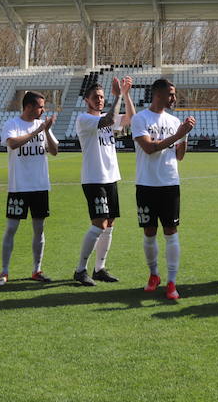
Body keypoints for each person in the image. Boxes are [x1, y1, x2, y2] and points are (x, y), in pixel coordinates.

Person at [132, 79, 195, 300]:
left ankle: (171, 282)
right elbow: (149, 148)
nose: (174, 98)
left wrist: (185, 134)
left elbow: (179, 155)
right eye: (170, 94)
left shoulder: (174, 120)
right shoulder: (140, 119)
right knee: (149, 232)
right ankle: (154, 275)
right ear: (157, 94)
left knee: (171, 232)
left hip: (169, 183)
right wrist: (179, 134)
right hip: (146, 184)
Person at [72, 76, 135, 286]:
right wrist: (116, 97)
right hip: (94, 178)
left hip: (110, 177)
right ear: (86, 100)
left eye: (101, 97)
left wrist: (125, 94)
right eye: (95, 97)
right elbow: (108, 120)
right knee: (99, 224)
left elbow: (130, 119)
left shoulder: (109, 116)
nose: (99, 100)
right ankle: (80, 270)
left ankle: (99, 268)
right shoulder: (84, 119)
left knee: (110, 225)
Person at [0, 91, 58, 286]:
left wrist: (46, 130)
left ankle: (37, 269)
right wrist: (37, 132)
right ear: (29, 107)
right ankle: (4, 271)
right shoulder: (12, 124)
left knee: (39, 229)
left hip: (40, 185)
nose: (43, 110)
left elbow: (54, 151)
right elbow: (13, 143)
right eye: (40, 106)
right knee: (11, 228)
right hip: (19, 186)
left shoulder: (42, 125)